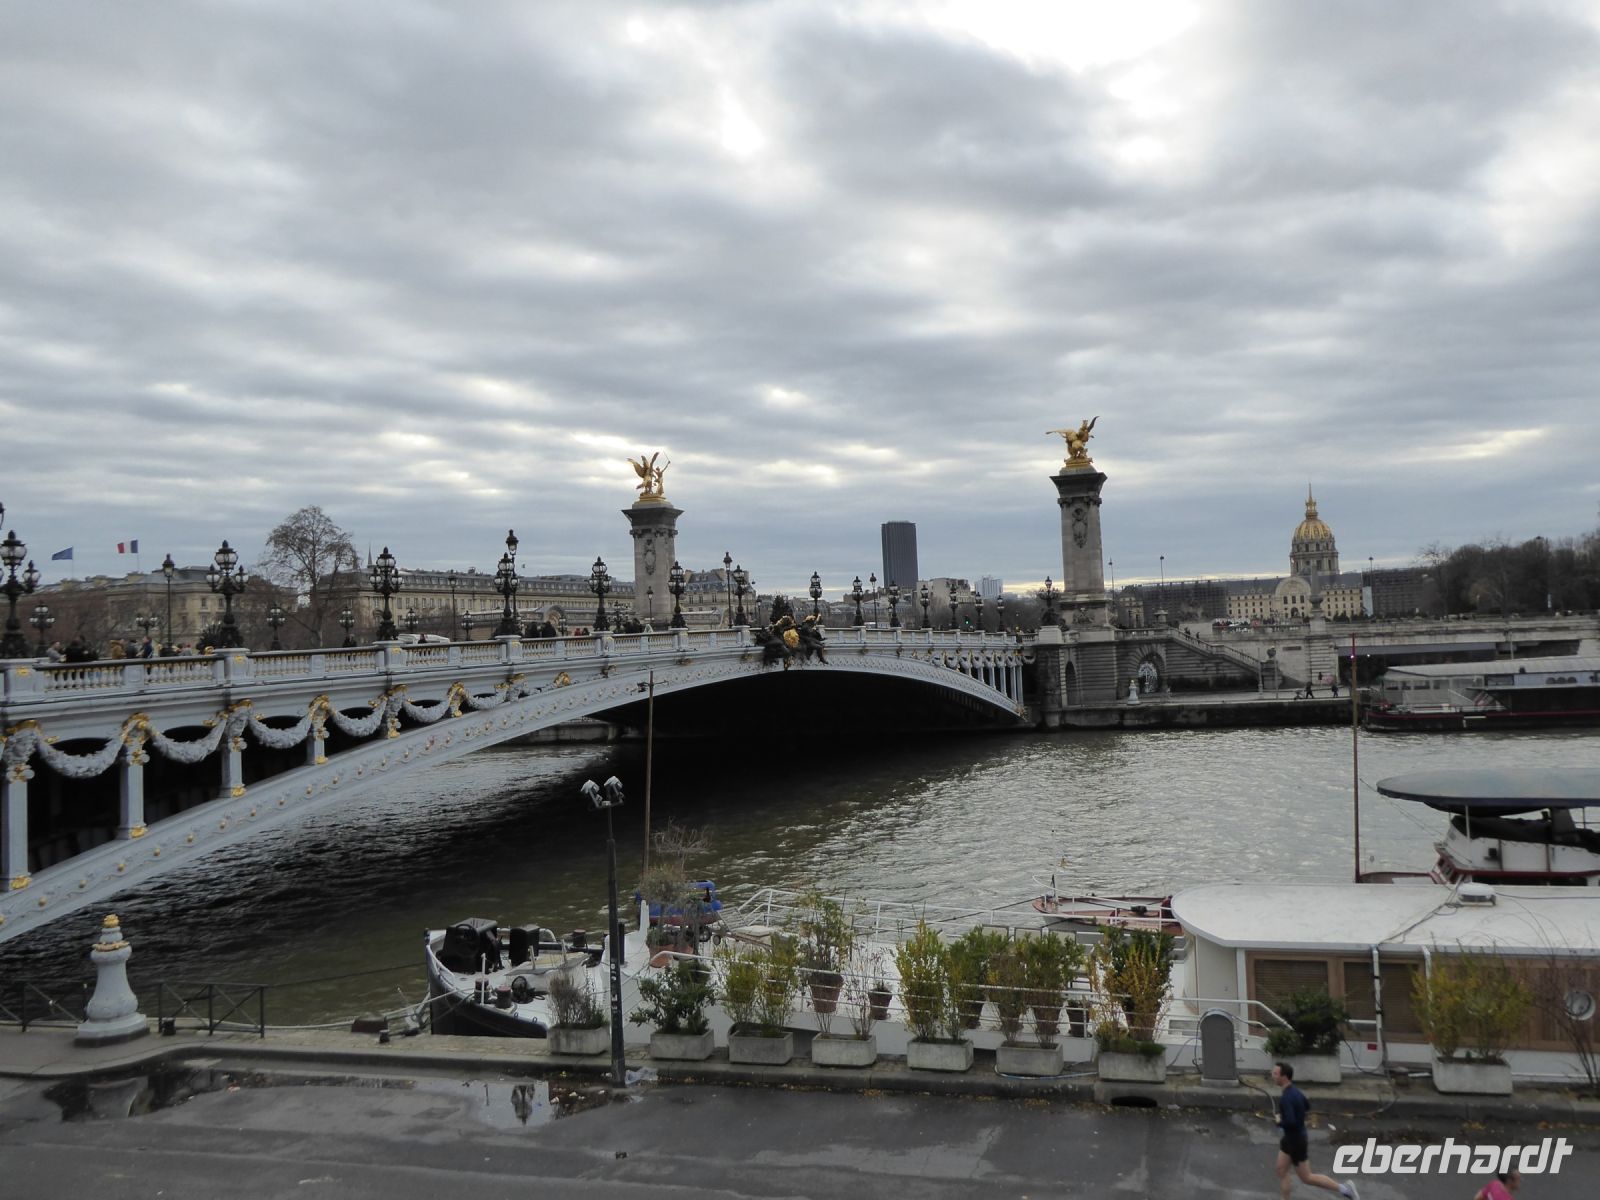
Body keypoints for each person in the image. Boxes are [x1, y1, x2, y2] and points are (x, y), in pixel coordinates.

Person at [1271, 1062, 1358, 1199]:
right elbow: (1306, 1105)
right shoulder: (1296, 1092)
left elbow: (1290, 1122)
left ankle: (1345, 1189)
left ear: (1284, 1077)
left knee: (1307, 1177)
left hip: (1296, 1142)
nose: (1272, 1076)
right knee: (1281, 1170)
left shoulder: (1286, 1098)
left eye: (1275, 1074)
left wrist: (1279, 1121)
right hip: (1289, 1139)